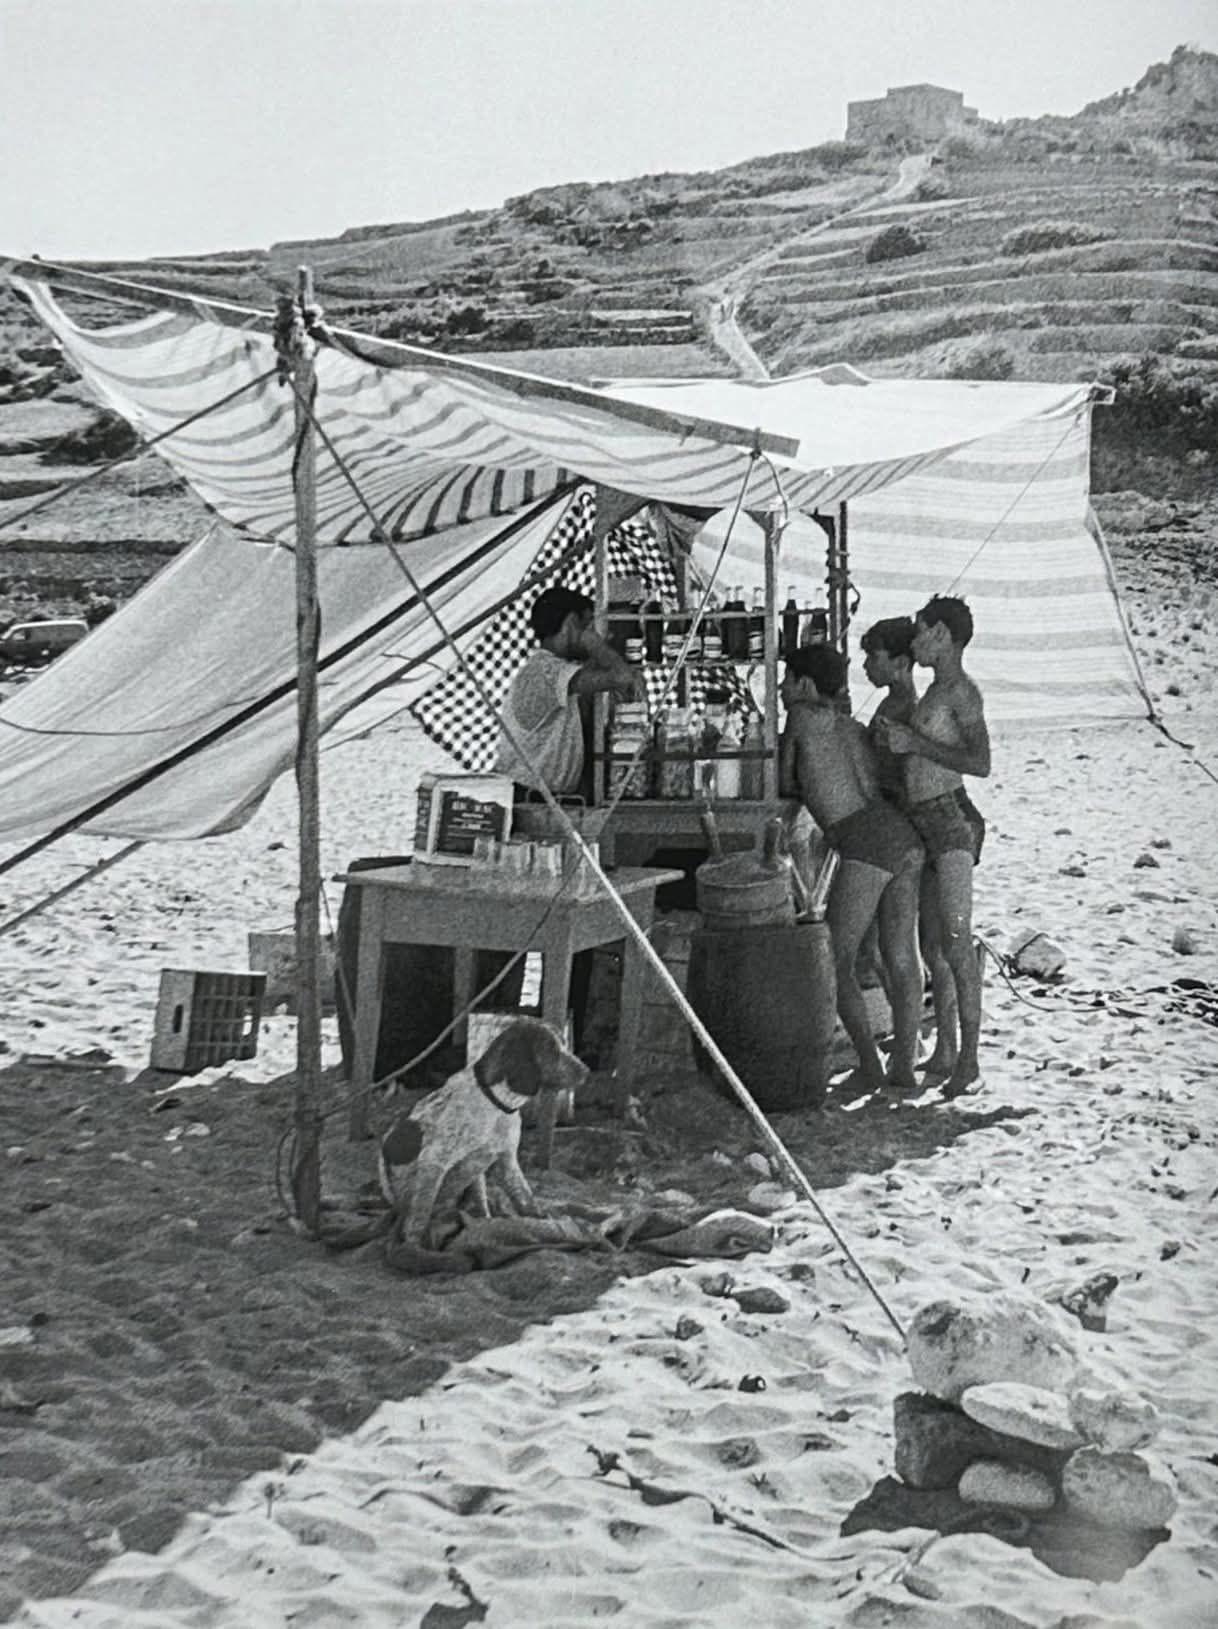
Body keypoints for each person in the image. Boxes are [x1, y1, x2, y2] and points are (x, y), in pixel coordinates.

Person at [781, 644, 923, 1091]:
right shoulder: (851, 724)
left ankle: (869, 1063)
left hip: (863, 840)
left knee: (836, 960)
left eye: (786, 679)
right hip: (899, 834)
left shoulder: (800, 718)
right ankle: (904, 1062)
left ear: (804, 685)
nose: (782, 688)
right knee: (897, 955)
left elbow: (785, 783)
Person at [874, 595, 989, 1096]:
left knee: (957, 944)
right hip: (926, 821)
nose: (915, 639)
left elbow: (980, 762)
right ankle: (945, 1049)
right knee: (935, 946)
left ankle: (969, 1058)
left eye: (921, 630)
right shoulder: (935, 692)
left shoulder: (961, 692)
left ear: (942, 634)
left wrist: (913, 744)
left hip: (948, 822)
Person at [495, 585, 642, 798]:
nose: (603, 634)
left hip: (536, 794)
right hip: (531, 796)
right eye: (589, 624)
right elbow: (622, 677)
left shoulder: (550, 668)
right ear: (572, 623)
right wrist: (591, 642)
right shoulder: (548, 671)